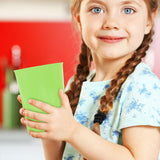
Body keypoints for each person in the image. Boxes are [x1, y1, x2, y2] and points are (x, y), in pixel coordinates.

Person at [18, 0, 160, 159]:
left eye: (128, 10)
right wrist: (49, 130)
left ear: (149, 20)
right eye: (97, 9)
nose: (111, 23)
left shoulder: (142, 86)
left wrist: (72, 131)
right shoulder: (76, 84)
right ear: (79, 20)